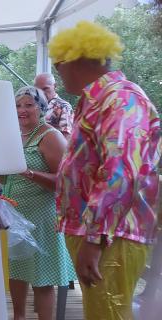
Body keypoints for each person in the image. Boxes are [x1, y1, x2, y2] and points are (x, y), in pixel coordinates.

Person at [50, 21, 161, 320]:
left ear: (74, 61)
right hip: (102, 231)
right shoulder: (99, 100)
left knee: (109, 314)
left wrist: (95, 238)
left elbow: (121, 171)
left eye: (58, 65)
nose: (58, 74)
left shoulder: (122, 98)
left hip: (111, 234)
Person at [1, 86, 76, 320]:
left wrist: (28, 172)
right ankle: (18, 317)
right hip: (14, 215)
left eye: (28, 105)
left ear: (41, 108)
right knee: (17, 272)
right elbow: (6, 177)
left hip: (41, 218)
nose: (22, 110)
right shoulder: (13, 136)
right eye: (17, 105)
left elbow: (64, 182)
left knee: (42, 278)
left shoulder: (50, 136)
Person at [33, 73, 74, 138]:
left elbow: (67, 137)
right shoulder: (32, 105)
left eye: (45, 89)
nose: (41, 93)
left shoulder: (64, 106)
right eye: (38, 90)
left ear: (55, 86)